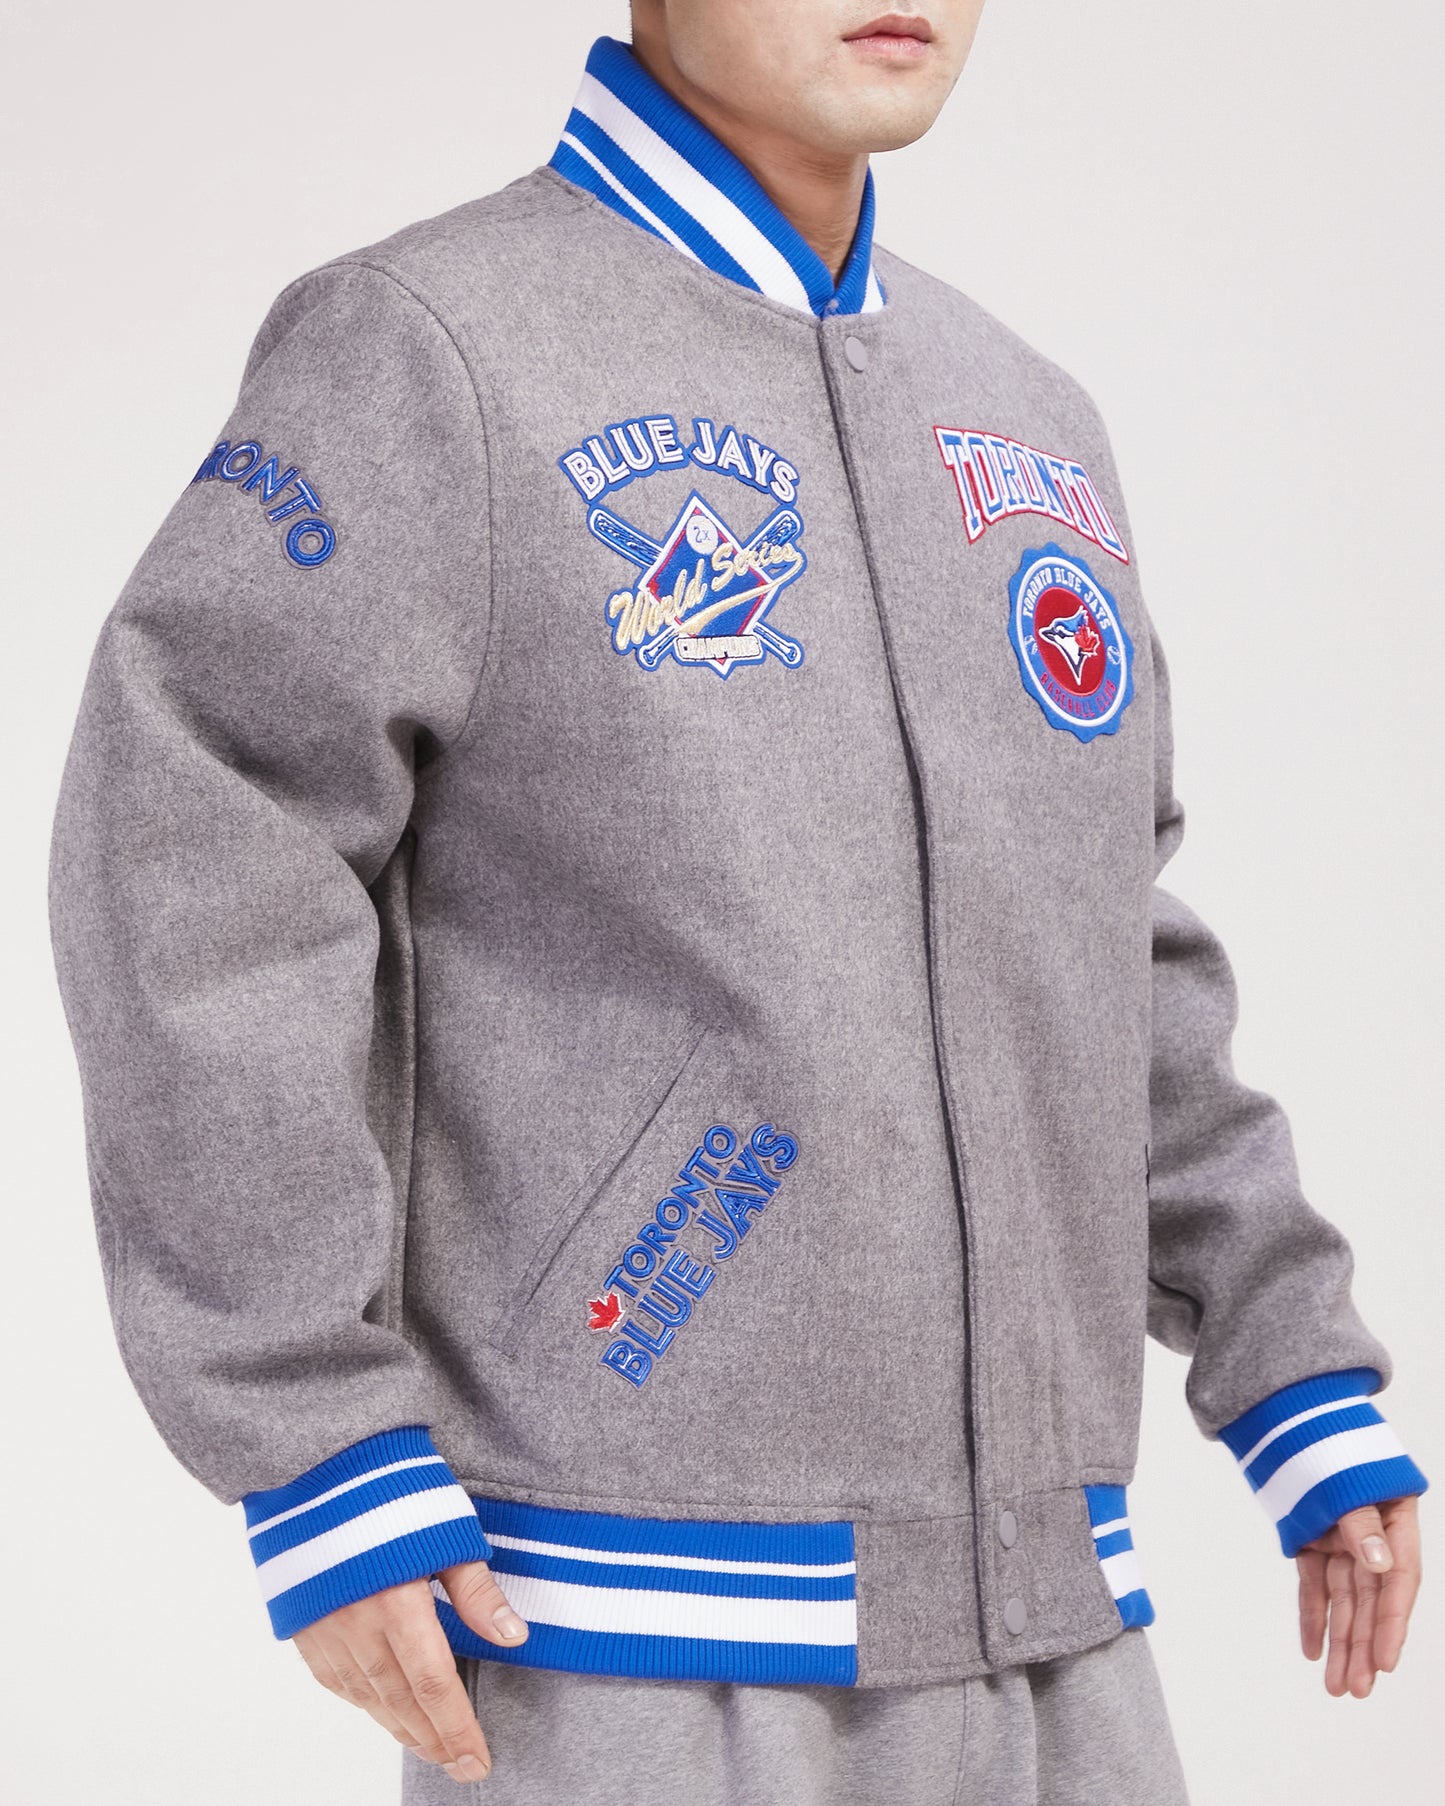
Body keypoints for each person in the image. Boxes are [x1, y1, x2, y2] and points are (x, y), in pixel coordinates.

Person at [48, 3, 1427, 1801]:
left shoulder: (1023, 418)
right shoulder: (432, 351)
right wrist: (312, 1436)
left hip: (1061, 1634)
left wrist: (1288, 1355)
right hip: (630, 1637)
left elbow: (1104, 943)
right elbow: (196, 849)